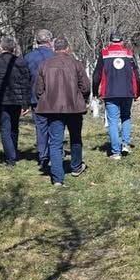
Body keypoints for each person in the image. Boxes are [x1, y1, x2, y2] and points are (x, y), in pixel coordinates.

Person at [36, 37, 90, 185]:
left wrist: (47, 99)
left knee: (55, 142)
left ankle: (57, 178)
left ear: (54, 49)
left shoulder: (44, 65)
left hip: (53, 109)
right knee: (75, 138)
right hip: (74, 108)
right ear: (68, 48)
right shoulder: (76, 64)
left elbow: (39, 90)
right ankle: (76, 167)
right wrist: (81, 98)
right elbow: (85, 87)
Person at [92, 32, 140, 159]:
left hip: (110, 93)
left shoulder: (104, 54)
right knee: (126, 117)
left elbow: (96, 75)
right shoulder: (129, 54)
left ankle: (116, 152)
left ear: (110, 41)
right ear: (122, 41)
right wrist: (137, 92)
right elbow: (137, 76)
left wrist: (94, 91)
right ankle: (125, 144)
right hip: (127, 92)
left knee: (113, 121)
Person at [0, 37, 31, 167]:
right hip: (16, 100)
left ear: (1, 48)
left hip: (0, 101)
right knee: (14, 127)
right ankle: (13, 152)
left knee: (5, 128)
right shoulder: (20, 62)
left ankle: (11, 158)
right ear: (13, 49)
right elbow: (26, 83)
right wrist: (25, 103)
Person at [24, 29, 55, 173]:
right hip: (54, 97)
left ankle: (43, 156)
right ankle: (54, 154)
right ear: (49, 41)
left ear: (37, 41)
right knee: (55, 125)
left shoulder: (28, 57)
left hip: (36, 97)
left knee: (40, 127)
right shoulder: (55, 56)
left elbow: (25, 79)